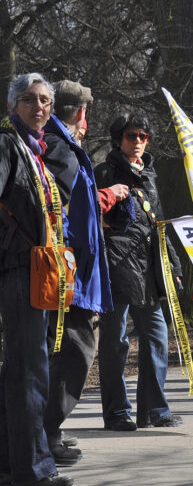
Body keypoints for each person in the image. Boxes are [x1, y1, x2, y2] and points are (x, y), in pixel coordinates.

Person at [41, 80, 129, 465]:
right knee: (74, 352)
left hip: (67, 270)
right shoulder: (59, 147)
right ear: (79, 114)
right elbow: (63, 208)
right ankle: (43, 434)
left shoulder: (54, 144)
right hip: (65, 273)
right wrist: (109, 197)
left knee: (62, 353)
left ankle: (48, 432)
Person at [0, 73, 74, 485]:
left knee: (21, 369)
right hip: (18, 268)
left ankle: (10, 463)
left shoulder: (37, 151)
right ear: (13, 105)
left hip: (39, 271)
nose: (40, 107)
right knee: (30, 370)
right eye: (29, 100)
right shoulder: (7, 144)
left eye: (45, 100)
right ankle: (35, 469)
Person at [94, 113, 183, 430]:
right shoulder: (104, 172)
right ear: (118, 139)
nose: (138, 142)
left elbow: (159, 224)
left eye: (144, 136)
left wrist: (172, 264)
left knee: (157, 336)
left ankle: (154, 410)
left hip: (149, 267)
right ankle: (117, 413)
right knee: (115, 342)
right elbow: (91, 218)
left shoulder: (151, 175)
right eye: (132, 136)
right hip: (115, 264)